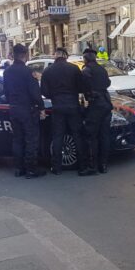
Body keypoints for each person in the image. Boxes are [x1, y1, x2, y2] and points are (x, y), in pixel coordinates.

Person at [40, 47, 94, 176]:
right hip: (73, 105)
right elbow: (81, 87)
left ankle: (57, 167)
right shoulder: (74, 69)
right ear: (65, 55)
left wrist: (54, 96)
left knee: (58, 136)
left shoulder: (48, 71)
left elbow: (44, 91)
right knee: (77, 135)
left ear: (56, 55)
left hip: (57, 106)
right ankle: (82, 167)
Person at [3, 44, 45, 179]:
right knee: (31, 140)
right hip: (28, 110)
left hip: (14, 109)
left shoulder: (7, 72)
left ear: (13, 55)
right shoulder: (28, 72)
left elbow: (6, 92)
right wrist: (41, 107)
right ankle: (31, 170)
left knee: (17, 139)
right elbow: (35, 93)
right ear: (25, 55)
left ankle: (18, 169)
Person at [82, 48, 113, 174]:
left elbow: (84, 87)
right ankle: (103, 165)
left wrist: (89, 96)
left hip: (95, 106)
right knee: (104, 136)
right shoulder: (102, 69)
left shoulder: (86, 70)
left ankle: (92, 167)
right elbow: (107, 83)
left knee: (91, 137)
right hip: (106, 104)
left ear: (85, 58)